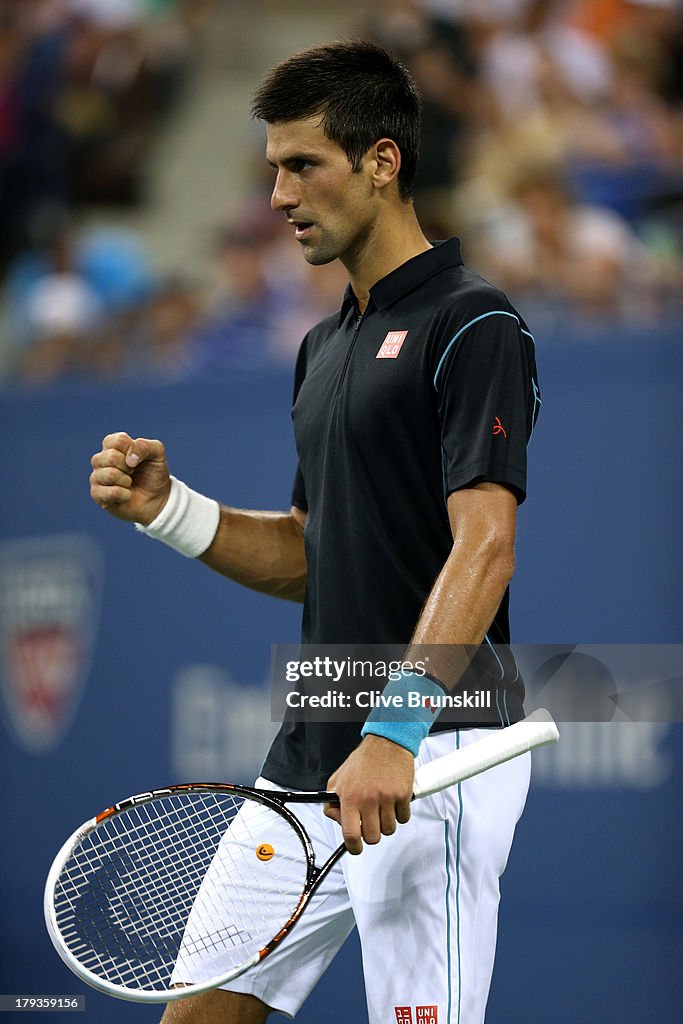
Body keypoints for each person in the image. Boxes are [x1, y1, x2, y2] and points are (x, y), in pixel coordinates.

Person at [89, 40, 540, 1024]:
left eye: (303, 165)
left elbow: (484, 546)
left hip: (434, 752)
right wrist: (170, 510)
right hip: (309, 756)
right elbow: (308, 549)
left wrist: (395, 728)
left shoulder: (474, 324)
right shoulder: (323, 344)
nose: (279, 195)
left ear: (381, 160)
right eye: (271, 172)